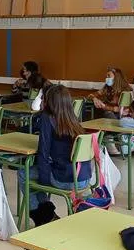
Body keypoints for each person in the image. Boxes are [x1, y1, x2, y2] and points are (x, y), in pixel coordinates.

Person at [18, 84, 91, 226]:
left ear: (49, 101)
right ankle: (47, 214)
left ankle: (42, 217)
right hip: (84, 178)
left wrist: (44, 181)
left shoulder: (47, 117)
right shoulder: (72, 117)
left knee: (23, 174)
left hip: (65, 179)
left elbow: (43, 152)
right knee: (37, 176)